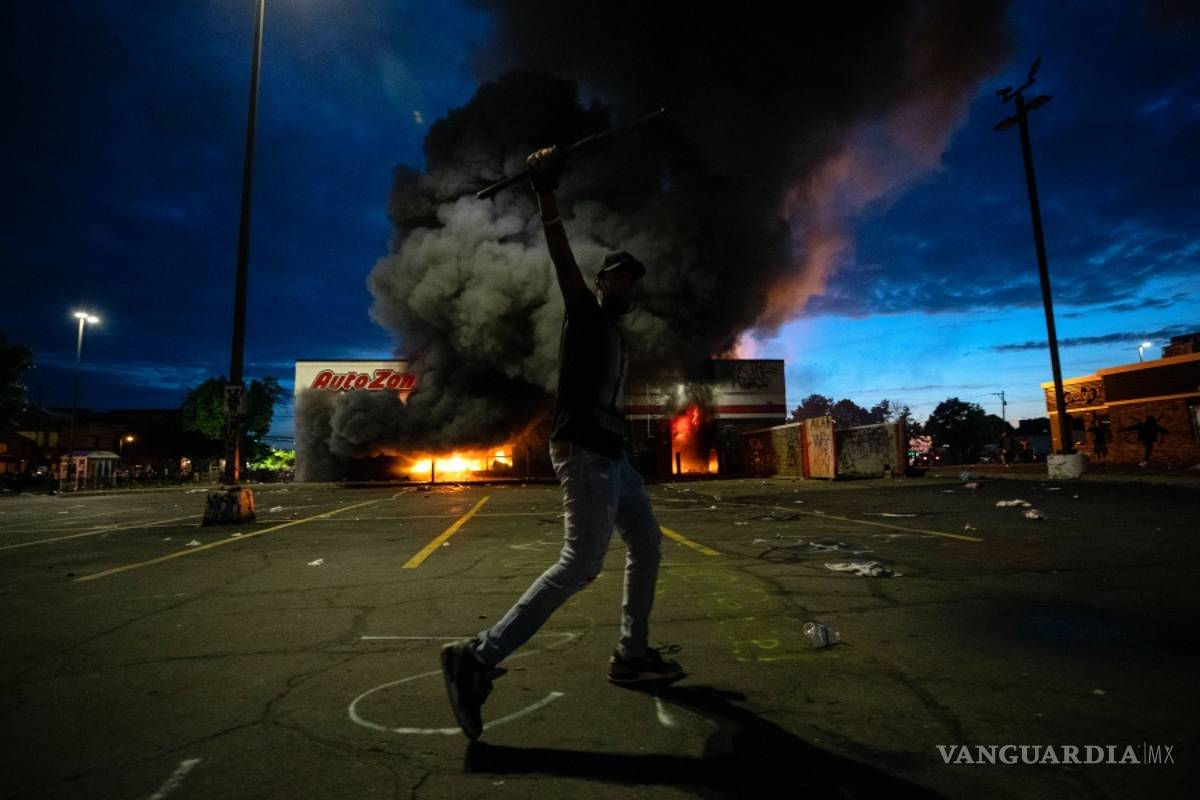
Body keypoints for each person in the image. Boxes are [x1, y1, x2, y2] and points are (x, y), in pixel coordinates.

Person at [440, 145, 683, 741]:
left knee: (647, 543)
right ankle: (478, 656)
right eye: (618, 276)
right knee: (580, 565)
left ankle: (632, 654)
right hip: (584, 453)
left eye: (632, 279)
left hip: (614, 459)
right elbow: (560, 256)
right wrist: (544, 191)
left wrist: (626, 450)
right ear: (601, 283)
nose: (626, 284)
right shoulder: (586, 313)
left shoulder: (619, 335)